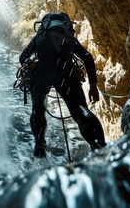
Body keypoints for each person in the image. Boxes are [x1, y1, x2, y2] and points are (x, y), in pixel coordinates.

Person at [19, 11, 106, 158]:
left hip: (41, 72)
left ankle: (39, 144)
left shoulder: (39, 37)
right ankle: (98, 146)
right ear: (67, 25)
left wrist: (30, 63)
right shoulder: (68, 38)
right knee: (79, 109)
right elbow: (87, 57)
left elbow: (23, 57)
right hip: (65, 71)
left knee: (38, 108)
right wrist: (92, 86)